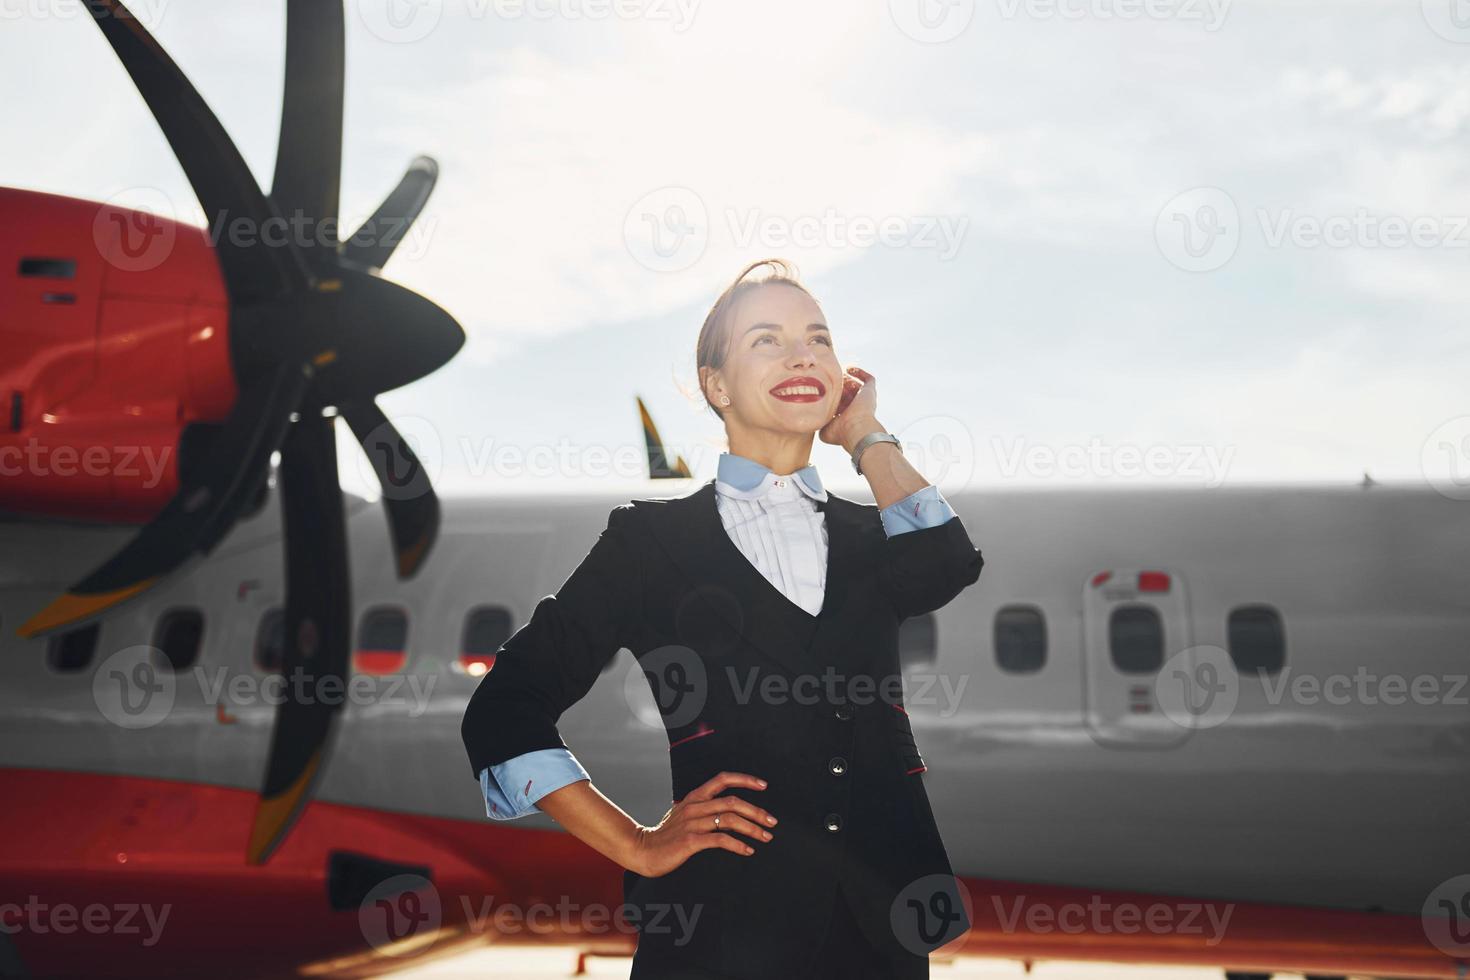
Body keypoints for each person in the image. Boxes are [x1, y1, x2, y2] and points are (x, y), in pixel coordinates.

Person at [460, 258, 985, 979]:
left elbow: (948, 563)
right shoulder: (647, 543)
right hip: (716, 938)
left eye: (819, 339)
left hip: (878, 935)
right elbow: (503, 710)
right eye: (766, 340)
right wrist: (638, 844)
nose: (803, 354)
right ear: (716, 385)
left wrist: (865, 434)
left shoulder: (874, 540)